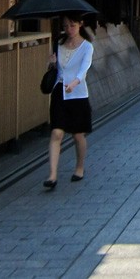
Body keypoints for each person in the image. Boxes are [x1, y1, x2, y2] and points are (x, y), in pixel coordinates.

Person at [44, 14, 93, 190]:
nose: (69, 29)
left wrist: (75, 82)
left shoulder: (87, 47)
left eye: (72, 25)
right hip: (60, 92)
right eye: (65, 26)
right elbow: (56, 71)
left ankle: (79, 167)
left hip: (78, 94)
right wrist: (51, 64)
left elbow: (84, 68)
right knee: (56, 133)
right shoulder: (58, 44)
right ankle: (52, 175)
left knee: (78, 134)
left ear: (80, 24)